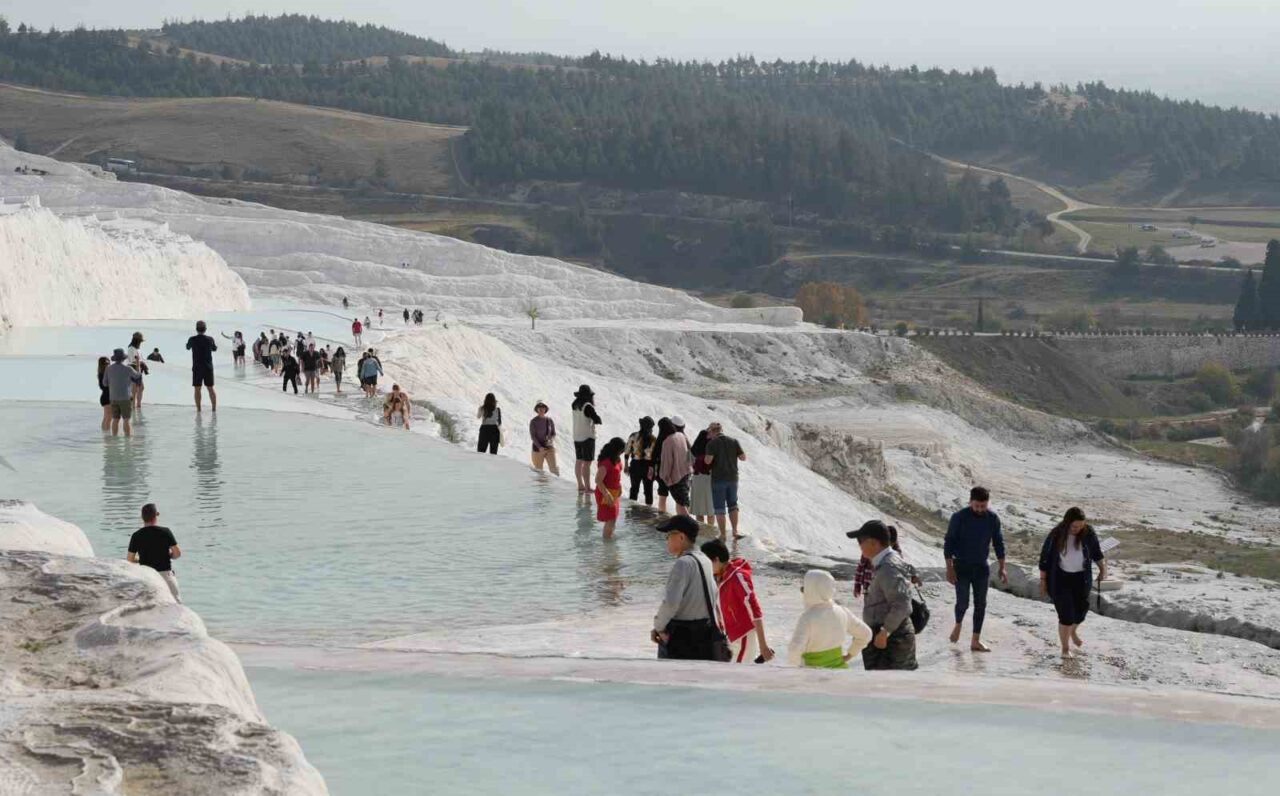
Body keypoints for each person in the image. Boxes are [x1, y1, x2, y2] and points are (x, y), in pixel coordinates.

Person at [944, 486, 1007, 652]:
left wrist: (1002, 567)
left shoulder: (992, 518)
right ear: (970, 502)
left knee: (981, 604)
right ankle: (958, 624)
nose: (980, 509)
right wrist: (949, 568)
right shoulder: (959, 517)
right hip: (961, 566)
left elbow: (998, 543)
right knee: (963, 602)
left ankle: (975, 641)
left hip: (981, 567)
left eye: (983, 506)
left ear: (988, 503)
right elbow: (949, 542)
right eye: (977, 506)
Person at [651, 516, 723, 661]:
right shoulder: (705, 560)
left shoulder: (683, 564)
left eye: (668, 535)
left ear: (681, 537)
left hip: (682, 638)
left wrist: (658, 627)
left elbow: (671, 604)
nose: (666, 539)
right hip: (704, 634)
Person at [849, 520, 918, 670]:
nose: (859, 546)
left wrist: (885, 631)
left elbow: (902, 604)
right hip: (886, 637)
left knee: (891, 683)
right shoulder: (885, 562)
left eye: (861, 542)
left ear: (873, 543)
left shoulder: (888, 567)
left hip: (892, 641)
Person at [1039, 507, 1107, 658]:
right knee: (1066, 615)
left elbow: (1097, 553)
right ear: (1067, 522)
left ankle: (1072, 631)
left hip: (1081, 578)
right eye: (1074, 526)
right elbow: (1044, 558)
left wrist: (1103, 569)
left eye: (1081, 526)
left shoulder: (1088, 532)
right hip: (1060, 578)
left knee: (1081, 611)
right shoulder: (1056, 534)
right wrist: (1043, 581)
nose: (1077, 529)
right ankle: (1065, 649)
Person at [702, 539, 774, 664]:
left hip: (744, 636)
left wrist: (763, 646)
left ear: (716, 560)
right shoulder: (719, 577)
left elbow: (755, 610)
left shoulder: (738, 577)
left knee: (738, 673)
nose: (705, 568)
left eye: (706, 563)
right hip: (731, 637)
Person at [787, 569, 872, 669]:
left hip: (812, 673)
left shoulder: (807, 618)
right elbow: (866, 634)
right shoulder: (842, 611)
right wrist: (850, 654)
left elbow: (794, 649)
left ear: (812, 590)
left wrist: (798, 667)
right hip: (840, 672)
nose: (803, 592)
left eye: (804, 588)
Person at [127, 503, 182, 602]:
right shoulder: (166, 532)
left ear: (142, 517)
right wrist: (168, 555)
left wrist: (141, 559)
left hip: (147, 576)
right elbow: (177, 554)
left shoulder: (136, 535)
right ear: (156, 515)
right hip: (165, 575)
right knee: (176, 604)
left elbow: (130, 559)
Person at [704, 422, 747, 541]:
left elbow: (708, 461)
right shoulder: (734, 441)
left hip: (718, 479)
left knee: (719, 508)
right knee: (733, 505)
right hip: (733, 478)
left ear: (712, 431)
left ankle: (723, 534)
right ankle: (735, 531)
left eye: (709, 432)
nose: (708, 434)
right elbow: (743, 457)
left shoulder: (712, 444)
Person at [854, 524, 920, 598]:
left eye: (890, 545)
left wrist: (913, 576)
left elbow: (902, 568)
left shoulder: (896, 554)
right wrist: (857, 586)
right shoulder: (869, 550)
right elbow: (860, 568)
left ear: (894, 543)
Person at [658, 416, 693, 516]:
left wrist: (665, 477)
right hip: (686, 473)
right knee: (681, 501)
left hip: (675, 477)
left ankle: (687, 523)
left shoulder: (667, 441)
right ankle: (682, 522)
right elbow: (690, 453)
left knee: (681, 504)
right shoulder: (681, 436)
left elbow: (667, 462)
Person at [571, 385, 602, 493]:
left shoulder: (574, 405)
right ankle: (588, 487)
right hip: (587, 437)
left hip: (577, 436)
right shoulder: (588, 406)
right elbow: (597, 419)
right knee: (587, 463)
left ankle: (580, 485)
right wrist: (598, 420)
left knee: (579, 461)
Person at [594, 437, 626, 539]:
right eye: (621, 450)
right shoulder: (606, 463)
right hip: (605, 493)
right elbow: (598, 480)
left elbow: (617, 476)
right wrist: (607, 494)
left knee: (613, 517)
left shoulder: (616, 459)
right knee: (611, 518)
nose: (622, 452)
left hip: (614, 493)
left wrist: (620, 487)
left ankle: (609, 537)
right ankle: (607, 541)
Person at [104, 350, 141, 437]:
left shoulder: (108, 368)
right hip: (125, 398)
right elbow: (138, 376)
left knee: (115, 419)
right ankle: (128, 441)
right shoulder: (128, 369)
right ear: (123, 358)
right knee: (126, 420)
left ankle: (114, 439)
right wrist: (138, 364)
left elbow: (105, 383)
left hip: (113, 398)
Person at [186, 321, 219, 413]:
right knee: (210, 388)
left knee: (197, 389)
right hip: (208, 367)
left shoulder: (192, 339)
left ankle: (199, 409)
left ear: (196, 329)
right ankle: (214, 409)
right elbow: (214, 349)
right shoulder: (210, 339)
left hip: (197, 367)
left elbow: (188, 347)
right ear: (205, 329)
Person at [625, 417, 656, 506]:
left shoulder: (633, 436)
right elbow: (656, 456)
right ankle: (648, 511)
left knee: (634, 489)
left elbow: (627, 452)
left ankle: (632, 510)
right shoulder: (654, 439)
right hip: (649, 467)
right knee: (648, 491)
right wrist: (655, 470)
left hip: (635, 465)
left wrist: (626, 466)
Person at [689, 429, 715, 523]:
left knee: (699, 510)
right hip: (709, 479)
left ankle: (701, 529)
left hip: (697, 479)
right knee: (710, 509)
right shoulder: (712, 448)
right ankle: (710, 529)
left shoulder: (694, 449)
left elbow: (688, 462)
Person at [651, 417, 675, 513]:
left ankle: (662, 515)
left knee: (662, 495)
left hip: (662, 471)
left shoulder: (660, 439)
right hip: (675, 470)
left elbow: (654, 457)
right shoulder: (676, 437)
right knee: (678, 497)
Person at [529, 401, 559, 475]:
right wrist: (540, 447)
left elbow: (553, 433)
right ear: (537, 410)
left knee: (554, 469)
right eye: (539, 408)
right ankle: (540, 483)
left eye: (543, 408)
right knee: (539, 471)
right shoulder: (533, 421)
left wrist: (550, 440)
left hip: (549, 447)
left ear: (545, 409)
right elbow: (533, 436)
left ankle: (556, 482)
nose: (541, 409)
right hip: (538, 449)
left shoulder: (549, 420)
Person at [127, 331, 146, 409]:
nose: (140, 343)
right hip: (133, 368)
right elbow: (133, 360)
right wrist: (141, 363)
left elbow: (139, 359)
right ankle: (134, 406)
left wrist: (142, 364)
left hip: (138, 369)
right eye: (140, 341)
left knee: (140, 388)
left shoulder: (137, 349)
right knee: (134, 389)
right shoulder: (131, 348)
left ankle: (138, 405)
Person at [96, 356, 111, 431]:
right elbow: (104, 386)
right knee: (108, 417)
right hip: (107, 397)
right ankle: (107, 434)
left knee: (106, 417)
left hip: (106, 396)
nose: (108, 365)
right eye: (106, 363)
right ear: (102, 364)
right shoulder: (103, 374)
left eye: (109, 363)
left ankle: (105, 433)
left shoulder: (102, 374)